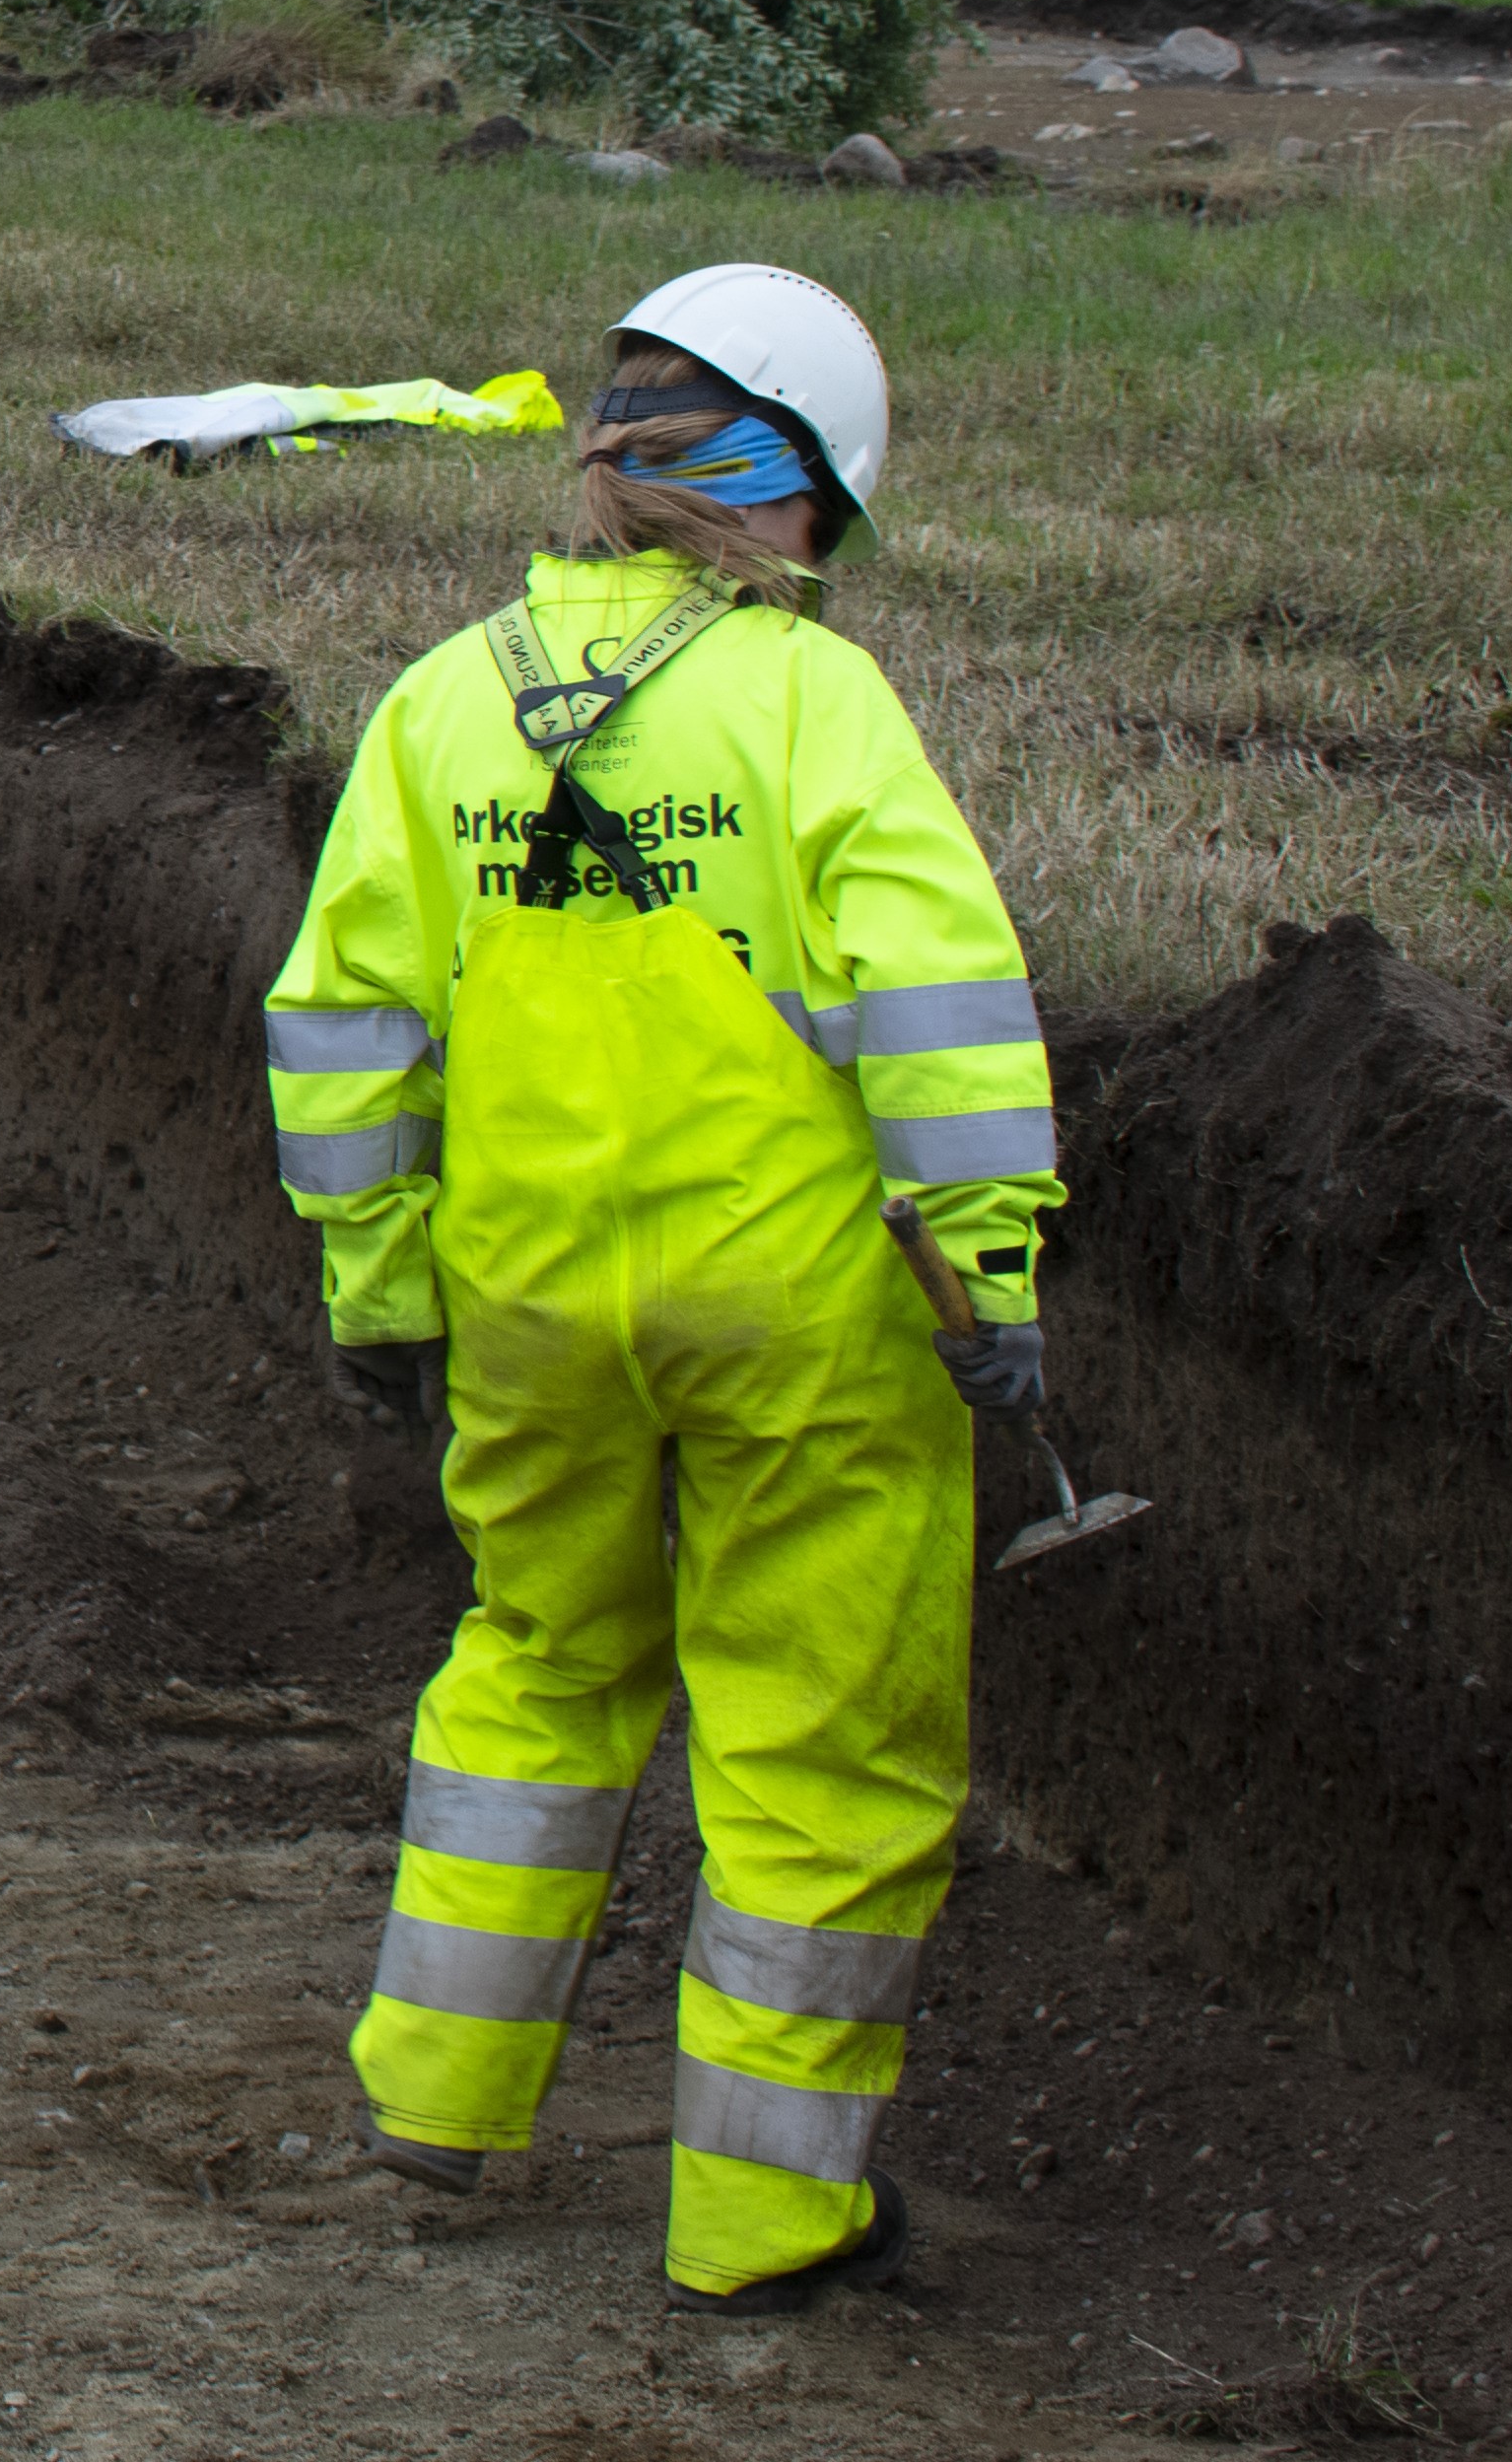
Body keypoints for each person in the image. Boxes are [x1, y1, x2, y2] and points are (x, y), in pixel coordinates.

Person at [260, 263, 1060, 2317]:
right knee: (812, 1741)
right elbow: (945, 1016)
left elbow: (342, 1027)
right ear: (799, 489)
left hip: (525, 1307)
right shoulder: (815, 704)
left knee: (537, 1668)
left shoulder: (448, 698)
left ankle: (436, 2092)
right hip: (805, 1324)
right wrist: (989, 1278)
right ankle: (768, 2215)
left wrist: (378, 1291)